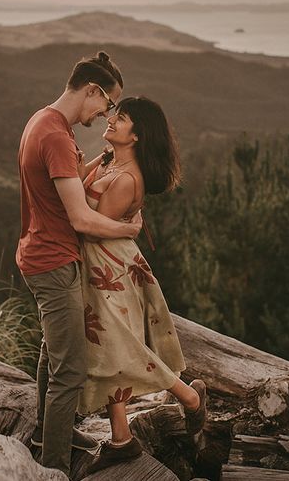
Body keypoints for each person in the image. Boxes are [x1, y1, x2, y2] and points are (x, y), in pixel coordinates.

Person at [16, 51, 142, 477]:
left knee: (52, 353)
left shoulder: (44, 121)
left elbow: (65, 177)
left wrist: (101, 162)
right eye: (106, 105)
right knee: (69, 371)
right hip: (53, 261)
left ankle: (48, 434)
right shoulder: (54, 135)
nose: (105, 114)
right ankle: (51, 467)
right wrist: (128, 230)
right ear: (91, 89)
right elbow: (81, 217)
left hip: (40, 253)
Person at [78, 96, 207, 472]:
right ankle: (121, 438)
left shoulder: (125, 179)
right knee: (109, 350)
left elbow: (87, 226)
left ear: (136, 136)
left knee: (118, 348)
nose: (113, 121)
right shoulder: (110, 162)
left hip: (110, 271)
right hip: (102, 269)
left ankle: (189, 397)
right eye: (114, 116)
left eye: (122, 119)